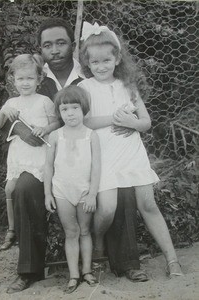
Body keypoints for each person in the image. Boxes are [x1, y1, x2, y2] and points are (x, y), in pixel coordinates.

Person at [3, 18, 143, 293]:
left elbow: (115, 107)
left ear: (73, 45)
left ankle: (126, 261)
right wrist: (18, 128)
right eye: (47, 45)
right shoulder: (34, 77)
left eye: (61, 43)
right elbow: (14, 110)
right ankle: (29, 269)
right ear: (40, 50)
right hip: (47, 159)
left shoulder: (91, 73)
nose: (54, 50)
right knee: (24, 187)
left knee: (121, 185)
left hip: (91, 153)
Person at [78, 21, 183, 278]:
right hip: (103, 154)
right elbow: (85, 121)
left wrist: (132, 123)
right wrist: (115, 119)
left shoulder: (128, 86)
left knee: (147, 203)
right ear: (87, 64)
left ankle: (172, 261)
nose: (100, 67)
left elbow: (146, 123)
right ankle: (99, 238)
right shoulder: (85, 88)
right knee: (107, 209)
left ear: (117, 59)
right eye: (95, 62)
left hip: (131, 151)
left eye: (106, 60)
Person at [0, 54, 59, 251]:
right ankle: (11, 230)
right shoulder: (11, 103)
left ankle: (33, 233)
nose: (25, 83)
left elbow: (56, 122)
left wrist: (45, 129)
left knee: (29, 190)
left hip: (38, 154)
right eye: (20, 79)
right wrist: (4, 112)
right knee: (9, 189)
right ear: (14, 81)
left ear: (39, 80)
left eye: (30, 78)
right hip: (19, 155)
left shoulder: (44, 100)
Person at [44, 86, 101, 293]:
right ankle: (73, 275)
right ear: (59, 112)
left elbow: (96, 167)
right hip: (62, 192)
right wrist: (48, 193)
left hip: (85, 191)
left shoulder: (91, 135)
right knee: (71, 232)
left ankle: (86, 271)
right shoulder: (55, 136)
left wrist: (93, 193)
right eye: (65, 109)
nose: (70, 113)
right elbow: (48, 166)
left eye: (74, 108)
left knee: (85, 231)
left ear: (83, 109)